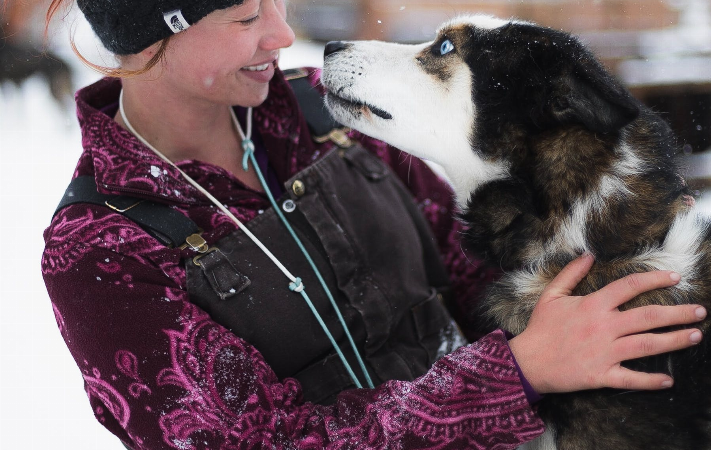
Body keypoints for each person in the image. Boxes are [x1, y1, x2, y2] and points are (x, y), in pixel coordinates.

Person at [41, 0, 707, 449]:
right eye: (245, 16)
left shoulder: (322, 114)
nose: (279, 33)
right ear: (150, 37)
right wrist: (516, 373)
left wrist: (623, 263)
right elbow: (256, 441)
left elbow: (474, 274)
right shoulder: (103, 249)